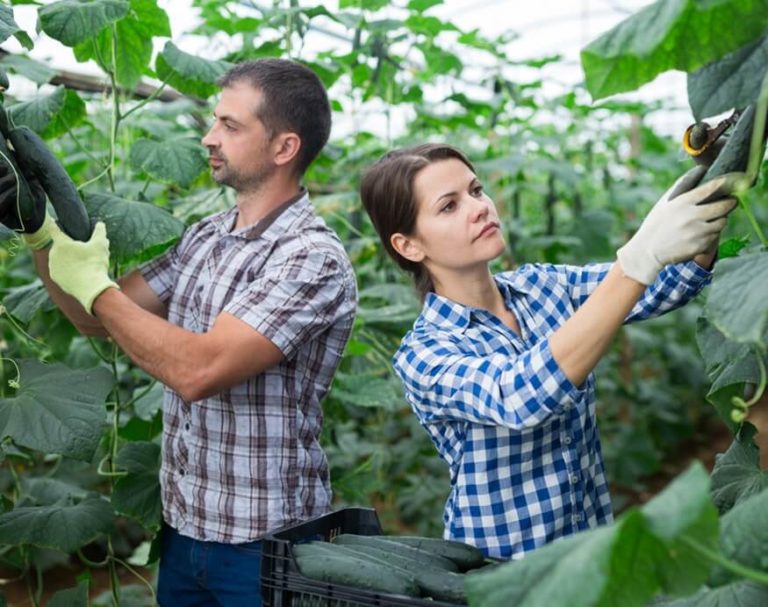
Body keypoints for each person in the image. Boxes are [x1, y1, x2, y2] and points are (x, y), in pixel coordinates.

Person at [1, 59, 357, 605]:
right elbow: (93, 318)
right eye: (214, 122)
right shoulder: (205, 238)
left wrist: (96, 285)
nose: (210, 138)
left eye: (231, 127)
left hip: (265, 542)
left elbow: (199, 369)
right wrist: (37, 229)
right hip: (186, 528)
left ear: (285, 148)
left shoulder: (311, 257)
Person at [359, 143, 737, 561]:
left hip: (589, 551)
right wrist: (639, 255)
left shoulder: (543, 286)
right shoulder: (425, 352)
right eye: (449, 206)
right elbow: (518, 396)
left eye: (476, 190)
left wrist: (720, 176)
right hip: (502, 572)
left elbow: (667, 284)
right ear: (409, 246)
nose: (480, 207)